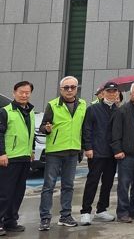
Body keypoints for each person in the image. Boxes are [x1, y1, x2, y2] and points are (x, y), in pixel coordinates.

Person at [38, 75, 87, 231]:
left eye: (73, 87)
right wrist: (46, 129)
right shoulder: (52, 105)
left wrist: (82, 148)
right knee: (49, 186)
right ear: (61, 89)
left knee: (68, 186)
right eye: (66, 87)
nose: (70, 90)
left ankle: (65, 216)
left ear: (77, 89)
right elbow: (43, 126)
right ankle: (45, 218)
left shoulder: (82, 104)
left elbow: (83, 128)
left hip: (73, 151)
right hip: (55, 151)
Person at [80, 81, 120, 225]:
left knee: (108, 182)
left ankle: (101, 209)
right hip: (96, 152)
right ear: (103, 93)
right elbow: (87, 129)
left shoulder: (118, 110)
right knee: (92, 181)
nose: (112, 94)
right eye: (109, 91)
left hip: (112, 153)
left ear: (117, 93)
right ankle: (85, 211)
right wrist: (88, 147)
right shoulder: (93, 109)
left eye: (114, 91)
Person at [0, 81, 35, 235]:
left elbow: (30, 133)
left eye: (27, 92)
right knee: (5, 193)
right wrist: (1, 153)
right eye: (21, 92)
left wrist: (31, 150)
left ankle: (10, 221)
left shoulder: (30, 111)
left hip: (24, 157)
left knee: (18, 192)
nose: (24, 95)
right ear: (14, 93)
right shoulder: (5, 111)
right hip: (10, 158)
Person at [111, 82, 134, 223]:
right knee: (124, 184)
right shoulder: (123, 110)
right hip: (127, 154)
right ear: (131, 94)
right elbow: (115, 132)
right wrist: (118, 150)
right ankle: (122, 212)